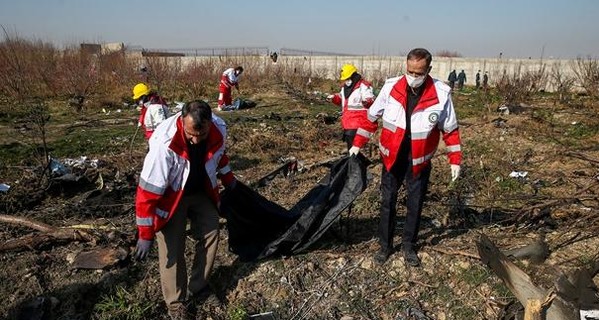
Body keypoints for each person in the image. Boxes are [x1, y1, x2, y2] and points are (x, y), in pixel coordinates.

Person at [349, 48, 462, 267]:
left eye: (419, 73)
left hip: (419, 160)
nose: (413, 77)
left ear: (428, 70)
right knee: (388, 202)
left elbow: (450, 130)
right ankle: (385, 246)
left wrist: (455, 159)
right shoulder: (391, 87)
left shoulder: (440, 93)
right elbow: (371, 118)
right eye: (410, 71)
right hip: (392, 157)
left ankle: (409, 246)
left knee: (415, 203)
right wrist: (357, 144)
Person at [134, 100, 237, 319]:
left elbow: (219, 156)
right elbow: (147, 193)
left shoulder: (219, 129)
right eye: (191, 134)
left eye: (202, 134)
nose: (196, 139)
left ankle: (198, 287)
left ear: (210, 123)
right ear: (182, 121)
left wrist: (229, 179)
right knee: (173, 246)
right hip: (171, 197)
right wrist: (145, 233)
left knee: (211, 232)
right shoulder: (164, 144)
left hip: (200, 190)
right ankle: (175, 302)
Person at [327, 64, 376, 150]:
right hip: (347, 122)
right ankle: (356, 161)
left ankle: (354, 162)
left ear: (353, 76)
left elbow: (370, 99)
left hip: (359, 121)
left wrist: (367, 101)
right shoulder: (345, 88)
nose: (346, 81)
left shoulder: (363, 86)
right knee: (351, 147)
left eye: (348, 78)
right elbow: (342, 100)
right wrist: (334, 98)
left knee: (353, 146)